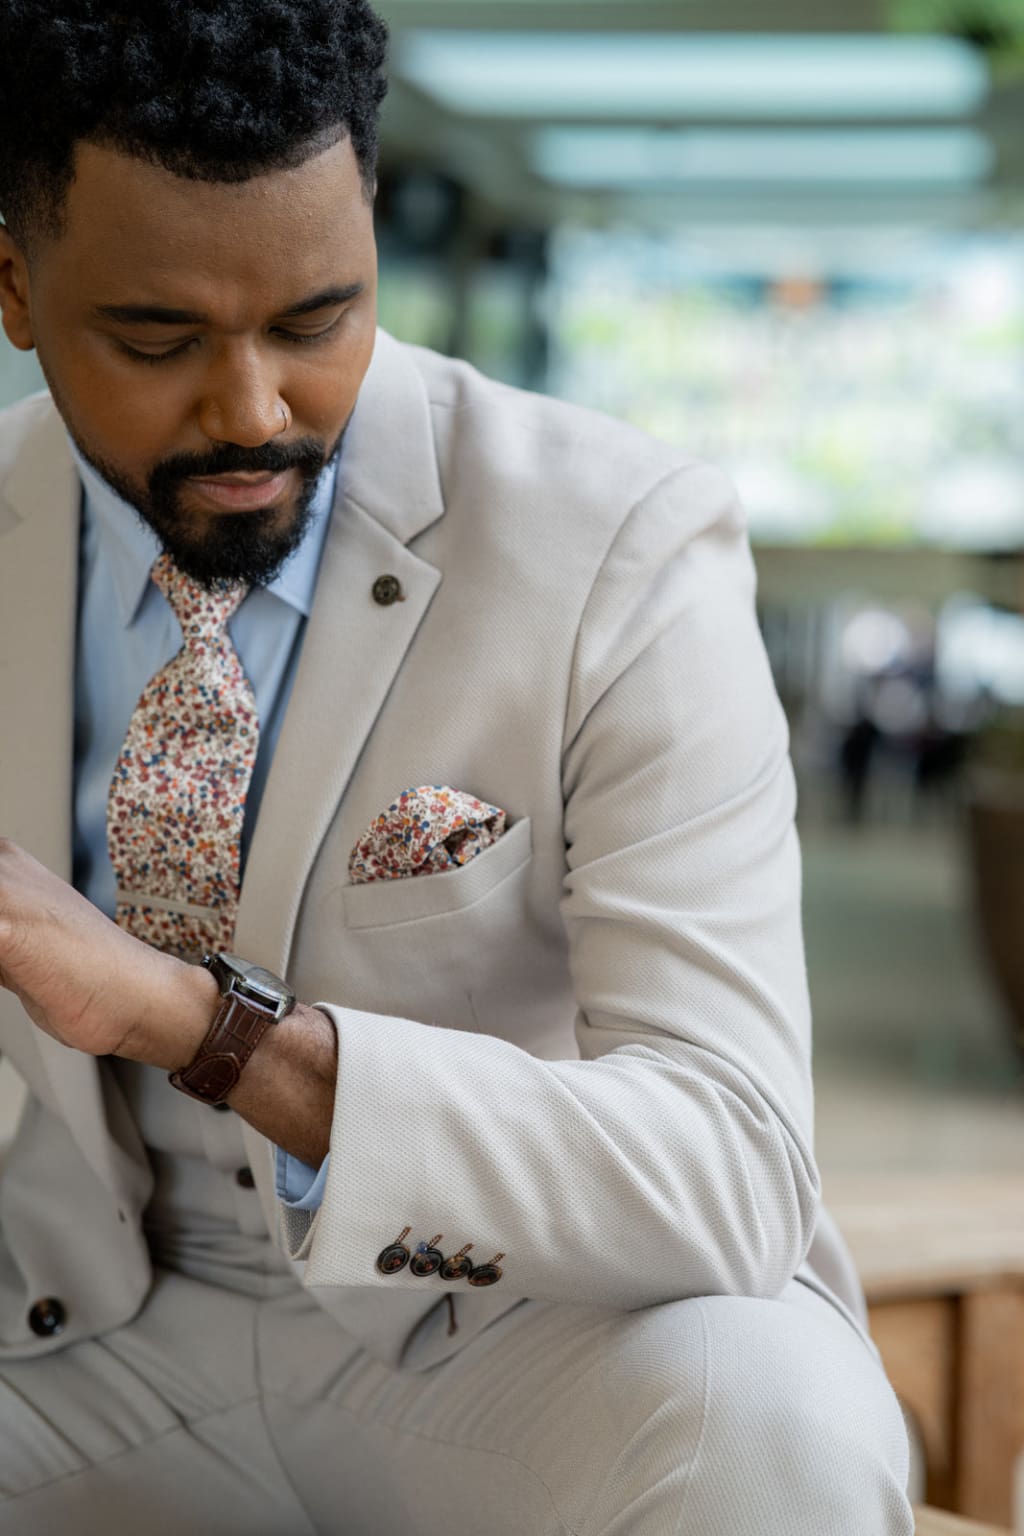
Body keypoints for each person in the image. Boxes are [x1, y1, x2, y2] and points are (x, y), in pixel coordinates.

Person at [0, 3, 912, 1532]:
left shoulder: (621, 546)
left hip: (496, 1330)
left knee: (774, 1428)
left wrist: (191, 1022)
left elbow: (733, 1168)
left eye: (316, 320)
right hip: (74, 1334)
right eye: (156, 340)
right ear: (15, 288)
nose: (251, 409)